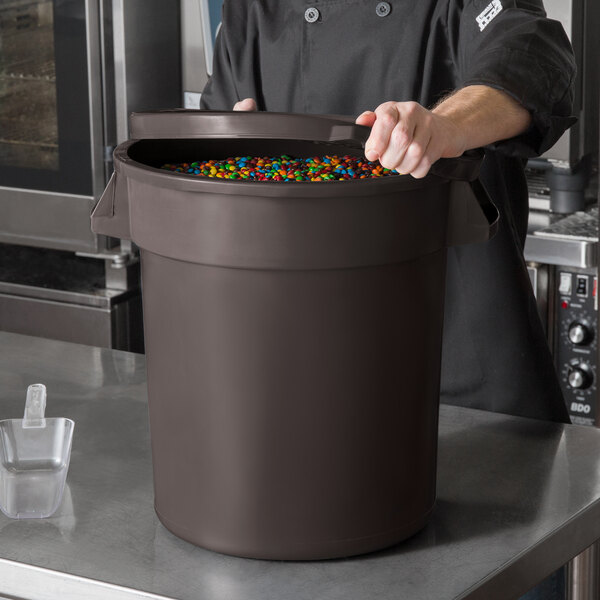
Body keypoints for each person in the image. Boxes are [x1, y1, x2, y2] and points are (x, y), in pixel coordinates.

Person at [200, 1, 575, 595]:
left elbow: (533, 54)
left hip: (473, 413)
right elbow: (221, 141)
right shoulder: (255, 10)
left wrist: (444, 126)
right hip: (304, 414)